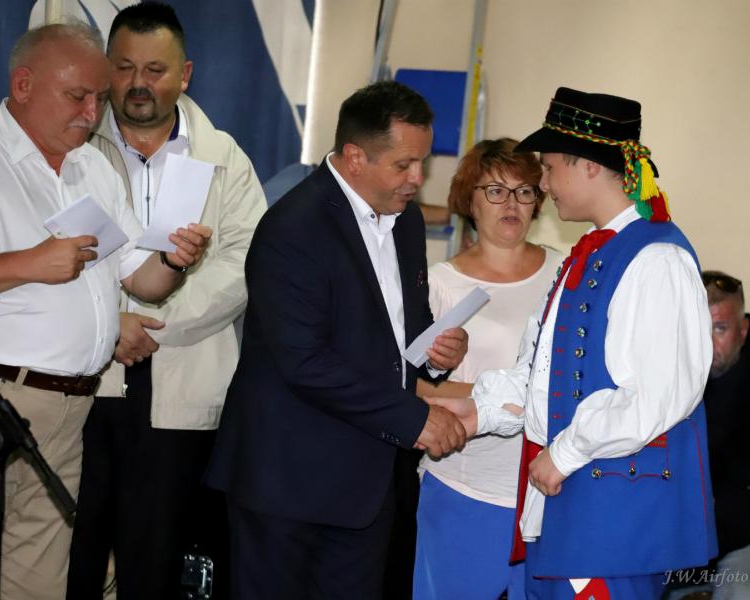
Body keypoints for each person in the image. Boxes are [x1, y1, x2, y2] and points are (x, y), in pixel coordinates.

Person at [431, 88, 716, 598]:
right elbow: (546, 375)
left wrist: (564, 453)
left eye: (548, 167)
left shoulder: (657, 259)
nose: (542, 183)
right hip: (574, 512)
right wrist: (477, 414)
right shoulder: (588, 254)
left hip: (616, 520)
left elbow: (659, 394)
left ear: (586, 165)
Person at [205, 80, 469, 600]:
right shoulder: (292, 228)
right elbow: (304, 361)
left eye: (422, 163)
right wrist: (414, 417)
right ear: (354, 158)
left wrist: (436, 353)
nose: (418, 180)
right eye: (404, 165)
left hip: (367, 481)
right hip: (288, 481)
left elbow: (402, 327)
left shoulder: (406, 220)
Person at [0, 22, 210, 600]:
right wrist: (28, 263)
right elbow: (37, 266)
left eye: (99, 98)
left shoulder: (91, 168)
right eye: (77, 96)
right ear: (23, 84)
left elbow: (143, 280)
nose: (92, 114)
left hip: (73, 410)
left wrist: (175, 258)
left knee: (37, 581)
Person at [64, 4, 267, 599]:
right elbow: (58, 251)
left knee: (155, 564)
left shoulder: (224, 157)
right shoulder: (74, 147)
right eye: (124, 67)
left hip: (184, 383)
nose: (138, 83)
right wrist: (111, 325)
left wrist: (150, 322)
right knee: (68, 556)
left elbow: (244, 263)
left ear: (186, 74)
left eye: (155, 70)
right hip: (85, 381)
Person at [410, 138, 562, 600]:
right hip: (465, 486)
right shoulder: (441, 283)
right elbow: (410, 385)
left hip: (549, 488)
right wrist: (500, 397)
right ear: (469, 201)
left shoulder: (565, 271)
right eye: (495, 191)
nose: (511, 204)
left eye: (523, 191)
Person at [665, 271, 750, 600]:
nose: (707, 342)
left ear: (743, 330)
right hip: (688, 544)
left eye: (719, 328)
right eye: (698, 327)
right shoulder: (670, 379)